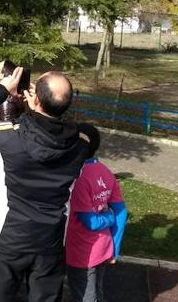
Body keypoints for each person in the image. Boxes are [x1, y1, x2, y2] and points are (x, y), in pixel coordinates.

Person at [0, 68, 90, 302]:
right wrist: (34, 110)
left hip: (13, 237)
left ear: (36, 99)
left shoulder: (11, 136)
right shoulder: (80, 145)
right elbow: (63, 131)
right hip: (50, 240)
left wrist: (1, 90)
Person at [66, 123, 127, 302]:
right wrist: (115, 248)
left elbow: (91, 222)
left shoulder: (78, 177)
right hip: (104, 247)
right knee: (96, 292)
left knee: (85, 296)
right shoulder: (105, 171)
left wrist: (108, 217)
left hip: (82, 252)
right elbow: (121, 212)